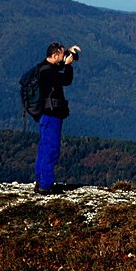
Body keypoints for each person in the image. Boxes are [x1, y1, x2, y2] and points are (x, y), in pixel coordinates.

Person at [33, 42, 79, 195]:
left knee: (44, 147)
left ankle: (40, 180)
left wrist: (69, 54)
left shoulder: (44, 67)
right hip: (51, 115)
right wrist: (68, 66)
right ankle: (46, 185)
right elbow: (66, 79)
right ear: (54, 55)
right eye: (61, 54)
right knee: (51, 149)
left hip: (46, 115)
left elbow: (58, 69)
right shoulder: (48, 72)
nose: (63, 57)